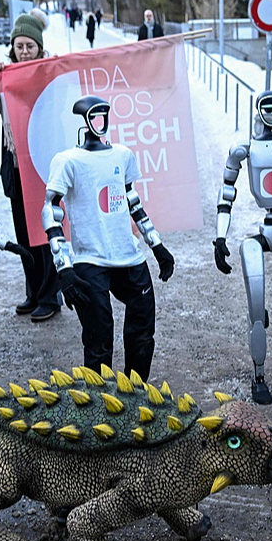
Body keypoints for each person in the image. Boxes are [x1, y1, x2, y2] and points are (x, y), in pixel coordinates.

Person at [42, 95, 175, 381]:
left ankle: (136, 393)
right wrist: (64, 268)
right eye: (94, 115)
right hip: (90, 259)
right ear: (83, 120)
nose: (99, 121)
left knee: (142, 335)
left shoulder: (122, 155)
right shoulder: (67, 161)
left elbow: (132, 200)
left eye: (103, 114)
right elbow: (51, 211)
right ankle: (99, 403)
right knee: (99, 340)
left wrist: (156, 245)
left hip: (129, 256)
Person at [0, 10, 62, 323]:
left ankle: (51, 296)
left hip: (42, 165)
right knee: (24, 236)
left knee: (46, 232)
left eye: (30, 46)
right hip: (15, 167)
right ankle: (34, 292)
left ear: (39, 47)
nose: (24, 51)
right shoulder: (6, 75)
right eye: (19, 46)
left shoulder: (48, 72)